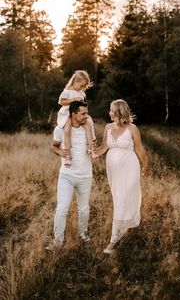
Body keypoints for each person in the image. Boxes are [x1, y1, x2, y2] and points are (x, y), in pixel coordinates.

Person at [95, 99, 149, 254]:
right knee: (118, 199)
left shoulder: (132, 128)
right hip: (113, 172)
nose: (109, 112)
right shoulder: (108, 127)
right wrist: (91, 151)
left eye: (111, 110)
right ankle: (125, 224)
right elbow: (103, 147)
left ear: (118, 111)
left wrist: (145, 165)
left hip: (130, 168)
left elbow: (139, 148)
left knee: (122, 200)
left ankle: (113, 241)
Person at [47, 100, 93, 249]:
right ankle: (57, 242)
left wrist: (93, 149)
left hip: (85, 175)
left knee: (84, 208)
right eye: (83, 113)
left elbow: (93, 146)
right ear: (73, 114)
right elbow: (54, 146)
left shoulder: (88, 128)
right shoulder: (60, 129)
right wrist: (61, 152)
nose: (86, 116)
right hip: (66, 175)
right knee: (62, 209)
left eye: (87, 113)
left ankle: (83, 234)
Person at [57, 70, 97, 167]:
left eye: (84, 87)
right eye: (81, 85)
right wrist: (73, 100)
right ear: (75, 82)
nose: (82, 88)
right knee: (67, 130)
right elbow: (61, 102)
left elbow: (82, 106)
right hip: (67, 113)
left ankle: (91, 147)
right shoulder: (67, 91)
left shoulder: (81, 93)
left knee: (89, 125)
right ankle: (67, 154)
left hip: (78, 115)